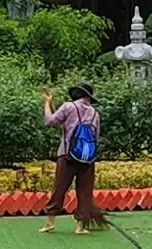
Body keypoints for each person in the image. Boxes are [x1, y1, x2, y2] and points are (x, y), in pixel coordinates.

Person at [41, 82, 107, 233]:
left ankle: (50, 222)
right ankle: (80, 226)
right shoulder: (95, 113)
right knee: (84, 190)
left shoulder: (68, 107)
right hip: (87, 157)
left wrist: (47, 103)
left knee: (60, 187)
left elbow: (50, 121)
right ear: (89, 97)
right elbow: (95, 136)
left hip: (67, 154)